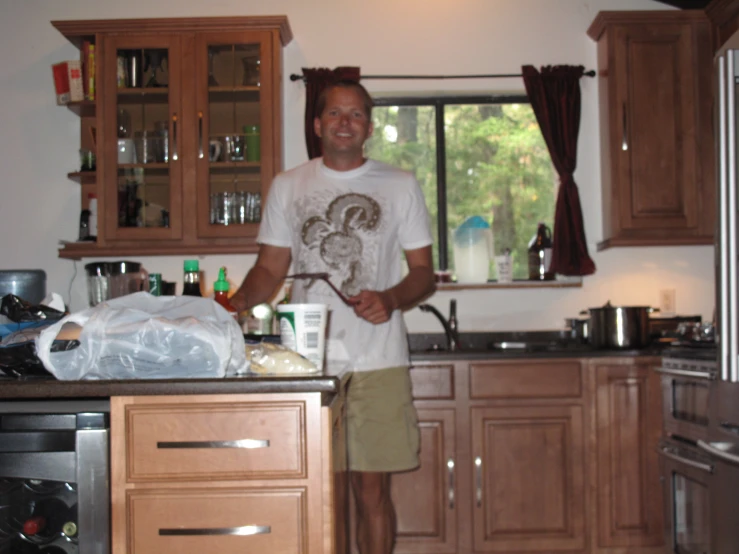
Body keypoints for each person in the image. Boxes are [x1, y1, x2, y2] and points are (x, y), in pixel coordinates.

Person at [230, 80, 436, 554]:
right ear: (318, 124)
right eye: (335, 113)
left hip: (378, 361)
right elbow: (269, 269)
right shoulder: (288, 184)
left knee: (371, 494)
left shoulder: (400, 184)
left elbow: (423, 274)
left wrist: (390, 297)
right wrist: (230, 307)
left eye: (357, 114)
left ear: (368, 127)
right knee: (318, 492)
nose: (346, 122)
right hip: (306, 363)